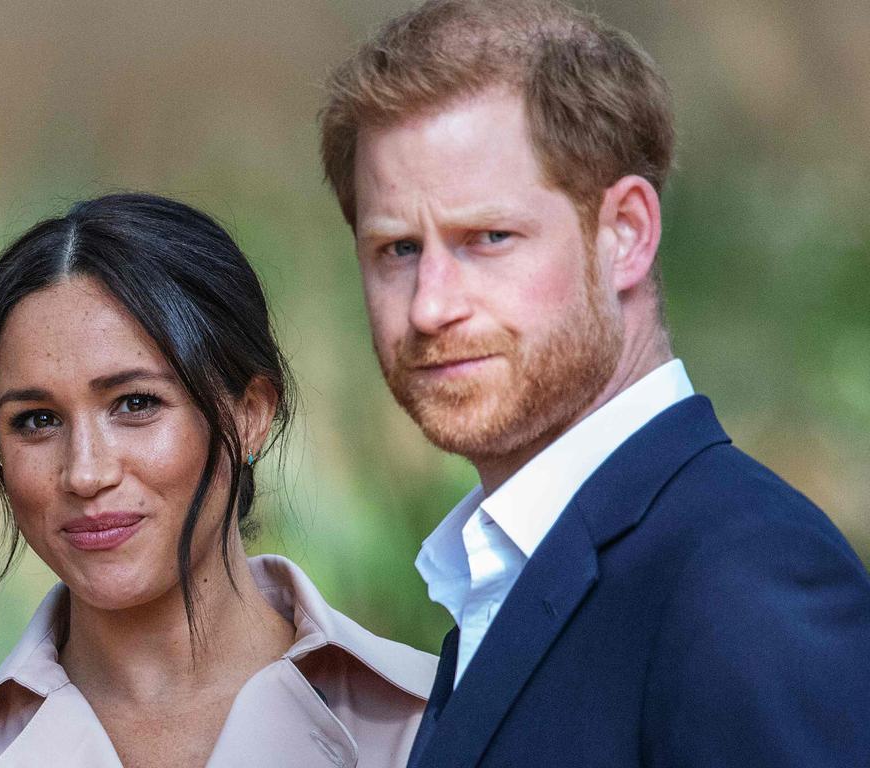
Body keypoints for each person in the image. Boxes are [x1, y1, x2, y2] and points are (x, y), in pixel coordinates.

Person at [318, 1, 870, 766]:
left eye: (488, 238)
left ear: (627, 235)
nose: (431, 305)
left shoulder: (743, 580)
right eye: (397, 250)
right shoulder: (510, 574)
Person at [0, 193, 435, 768]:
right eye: (37, 420)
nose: (85, 472)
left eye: (135, 404)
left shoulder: (437, 725)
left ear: (251, 414)